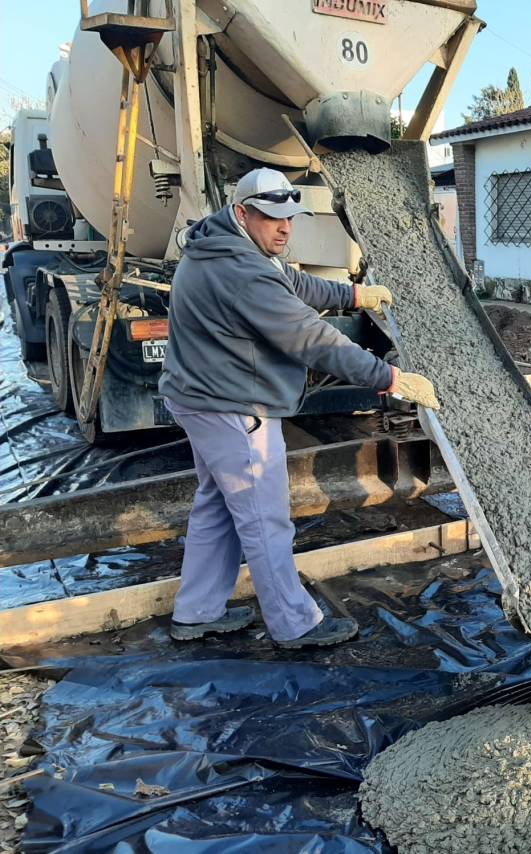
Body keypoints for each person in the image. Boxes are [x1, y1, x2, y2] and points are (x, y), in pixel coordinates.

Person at [159, 168, 440, 648]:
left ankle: (196, 612)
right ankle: (295, 624)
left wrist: (354, 294)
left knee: (217, 508)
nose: (285, 227)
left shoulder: (227, 243)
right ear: (243, 212)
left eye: (289, 216)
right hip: (231, 406)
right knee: (264, 517)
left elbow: (294, 282)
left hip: (199, 397)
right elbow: (312, 338)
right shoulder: (241, 272)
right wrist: (389, 377)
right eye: (272, 218)